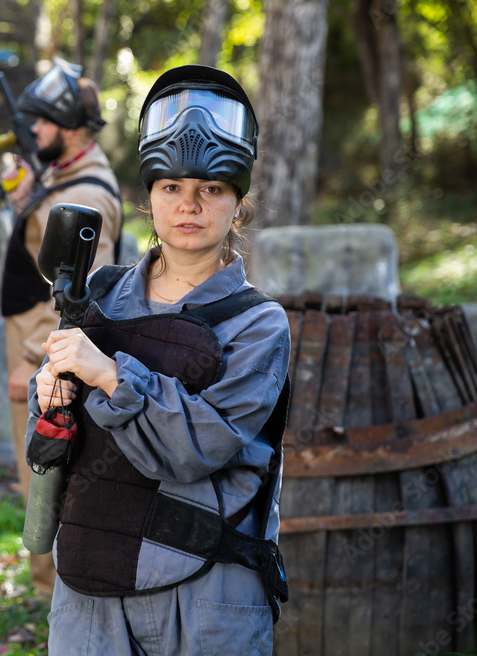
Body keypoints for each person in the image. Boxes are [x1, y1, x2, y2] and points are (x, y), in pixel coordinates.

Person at [27, 65, 291, 653]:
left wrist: (111, 374)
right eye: (171, 187)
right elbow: (47, 445)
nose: (189, 205)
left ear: (236, 202)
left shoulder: (258, 324)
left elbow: (196, 448)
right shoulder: (95, 297)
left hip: (205, 593)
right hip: (88, 584)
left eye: (211, 190)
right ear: (149, 198)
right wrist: (49, 400)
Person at [0, 58, 123, 597]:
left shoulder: (88, 195)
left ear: (70, 127)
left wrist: (32, 358)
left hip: (47, 354)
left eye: (43, 123)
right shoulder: (64, 176)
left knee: (46, 472)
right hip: (37, 343)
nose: (34, 132)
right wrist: (28, 200)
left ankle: (55, 598)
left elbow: (82, 293)